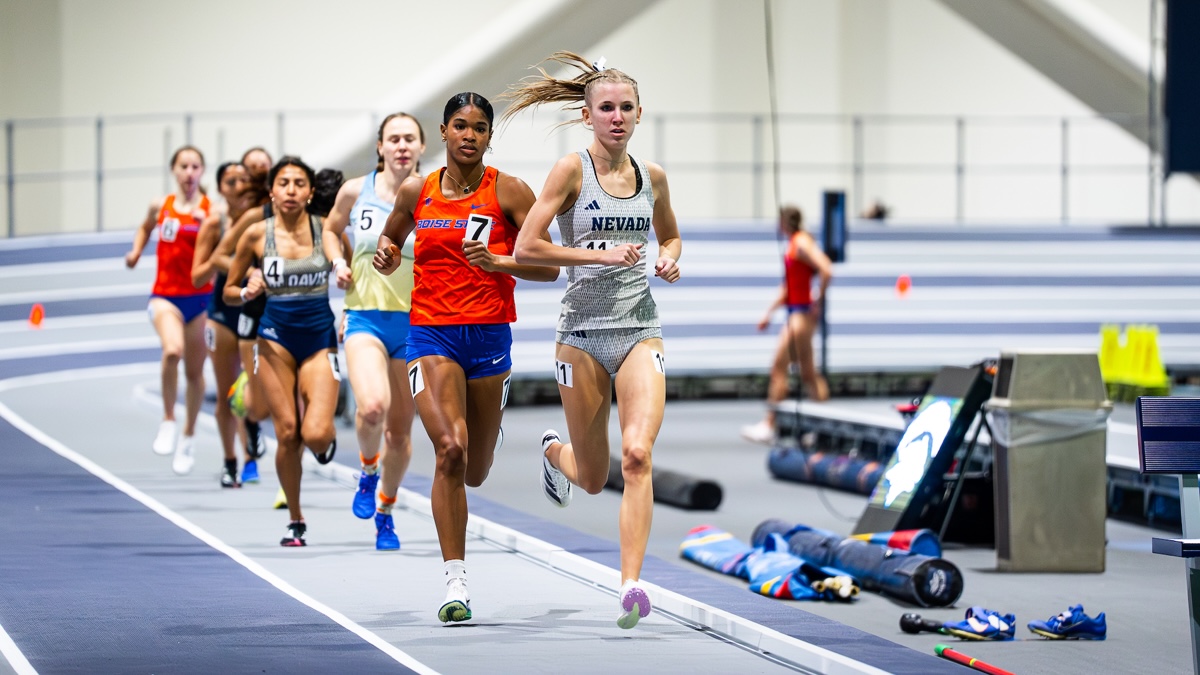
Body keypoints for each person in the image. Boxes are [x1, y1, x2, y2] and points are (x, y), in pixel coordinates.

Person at [503, 52, 682, 629]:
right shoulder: (569, 171)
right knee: (592, 474)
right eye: (606, 108)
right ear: (587, 116)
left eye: (626, 107)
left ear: (639, 114)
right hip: (579, 335)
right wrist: (596, 254)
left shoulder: (652, 177)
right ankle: (556, 454)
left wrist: (669, 259)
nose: (617, 117)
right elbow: (528, 250)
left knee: (636, 456)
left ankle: (630, 585)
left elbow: (672, 236)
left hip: (638, 330)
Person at [373, 92, 559, 623]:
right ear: (446, 131)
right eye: (460, 126)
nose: (470, 135)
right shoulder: (417, 190)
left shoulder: (510, 191)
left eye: (480, 127)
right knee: (449, 451)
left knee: (475, 470)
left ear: (489, 136)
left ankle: (499, 435)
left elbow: (547, 268)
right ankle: (456, 580)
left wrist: (499, 261)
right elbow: (388, 249)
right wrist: (387, 256)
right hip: (431, 335)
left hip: (489, 339)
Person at [224, 157, 345, 546]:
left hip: (318, 339)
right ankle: (295, 519)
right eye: (284, 182)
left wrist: (352, 312)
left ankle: (325, 443)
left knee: (315, 433)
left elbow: (350, 270)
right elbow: (227, 289)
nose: (291, 190)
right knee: (288, 432)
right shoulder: (257, 235)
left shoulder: (326, 229)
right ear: (272, 191)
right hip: (274, 339)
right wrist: (246, 290)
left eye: (299, 183)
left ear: (310, 192)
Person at [321, 112, 425, 550]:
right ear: (381, 147)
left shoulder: (434, 195)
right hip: (365, 316)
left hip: (417, 324)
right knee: (372, 409)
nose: (402, 146)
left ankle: (385, 509)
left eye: (410, 139)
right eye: (394, 139)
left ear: (422, 147)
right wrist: (338, 262)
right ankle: (367, 471)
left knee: (400, 434)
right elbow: (330, 228)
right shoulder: (354, 191)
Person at [125, 145, 213, 476]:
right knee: (172, 351)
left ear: (202, 172)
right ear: (174, 171)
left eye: (195, 166)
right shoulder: (160, 205)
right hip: (165, 296)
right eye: (184, 166)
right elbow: (145, 228)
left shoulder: (211, 210)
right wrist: (135, 252)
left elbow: (225, 247)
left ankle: (188, 435)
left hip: (200, 298)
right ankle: (168, 419)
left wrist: (210, 228)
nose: (189, 172)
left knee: (194, 373)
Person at [192, 161, 263, 487]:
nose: (238, 186)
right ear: (220, 188)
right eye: (231, 181)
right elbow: (197, 275)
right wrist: (239, 269)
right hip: (222, 311)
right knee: (225, 393)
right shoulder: (215, 223)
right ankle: (230, 460)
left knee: (251, 388)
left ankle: (250, 455)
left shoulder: (263, 218)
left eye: (244, 180)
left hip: (254, 310)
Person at [740, 205, 833, 445]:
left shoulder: (801, 242)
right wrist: (768, 313)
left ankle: (769, 425)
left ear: (784, 222)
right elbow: (789, 288)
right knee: (809, 374)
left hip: (801, 316)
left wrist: (817, 299)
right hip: (796, 313)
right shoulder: (793, 244)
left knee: (778, 367)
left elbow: (826, 269)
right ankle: (825, 429)